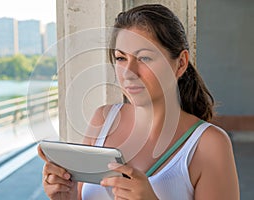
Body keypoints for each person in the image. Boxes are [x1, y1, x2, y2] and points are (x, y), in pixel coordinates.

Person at [38, 4, 240, 200]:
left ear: (181, 63)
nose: (128, 73)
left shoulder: (209, 145)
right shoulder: (103, 120)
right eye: (120, 58)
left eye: (144, 58)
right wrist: (67, 196)